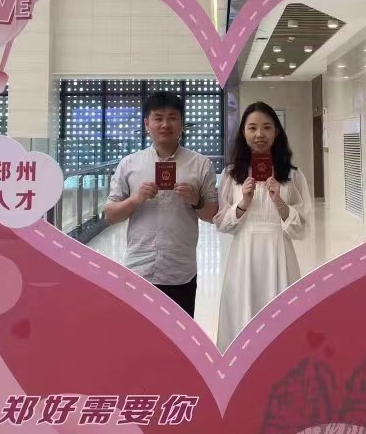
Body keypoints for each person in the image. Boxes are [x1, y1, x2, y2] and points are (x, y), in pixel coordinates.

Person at [104, 91, 218, 318]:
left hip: (180, 272)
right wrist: (135, 200)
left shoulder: (201, 164)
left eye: (172, 118)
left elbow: (212, 214)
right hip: (138, 268)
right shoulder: (129, 164)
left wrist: (196, 200)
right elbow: (110, 215)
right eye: (158, 118)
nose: (165, 124)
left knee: (178, 335)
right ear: (147, 124)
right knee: (137, 334)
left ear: (182, 123)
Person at [215, 101, 313, 352]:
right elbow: (222, 223)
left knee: (281, 316)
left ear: (276, 132)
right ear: (243, 132)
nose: (260, 134)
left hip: (279, 252)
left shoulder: (292, 175)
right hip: (244, 255)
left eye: (267, 127)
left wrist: (279, 201)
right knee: (242, 313)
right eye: (252, 128)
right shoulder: (231, 175)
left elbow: (301, 227)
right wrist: (243, 203)